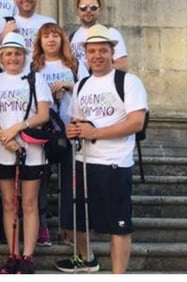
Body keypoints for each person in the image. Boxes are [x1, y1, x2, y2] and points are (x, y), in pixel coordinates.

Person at [55, 24, 147, 274]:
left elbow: (136, 122)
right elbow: (76, 120)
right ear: (85, 53)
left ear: (112, 52)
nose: (97, 55)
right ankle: (87, 259)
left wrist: (96, 133)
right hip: (84, 161)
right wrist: (73, 130)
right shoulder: (83, 84)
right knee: (78, 221)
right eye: (92, 50)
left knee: (119, 225)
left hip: (114, 163)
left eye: (103, 50)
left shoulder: (128, 81)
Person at [0, 33, 51, 274]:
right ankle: (12, 252)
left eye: (17, 54)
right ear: (2, 57)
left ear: (24, 56)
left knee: (30, 203)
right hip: (2, 149)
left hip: (31, 149)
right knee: (8, 203)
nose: (13, 58)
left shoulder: (36, 79)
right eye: (8, 54)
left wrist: (16, 129)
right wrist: (4, 136)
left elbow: (43, 114)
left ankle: (28, 255)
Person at [31, 22, 87, 249]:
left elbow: (87, 91)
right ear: (40, 41)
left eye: (55, 36)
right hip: (44, 131)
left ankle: (68, 226)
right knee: (40, 181)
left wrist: (68, 85)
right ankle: (41, 226)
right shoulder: (34, 66)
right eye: (46, 36)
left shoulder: (73, 64)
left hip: (69, 130)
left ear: (62, 40)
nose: (51, 40)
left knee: (68, 182)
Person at [69, 0, 128, 72]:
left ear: (99, 10)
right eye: (83, 8)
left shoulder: (110, 33)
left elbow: (122, 66)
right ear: (77, 11)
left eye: (93, 7)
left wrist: (94, 68)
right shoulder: (70, 37)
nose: (88, 10)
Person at [0, 0, 56, 68]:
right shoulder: (5, 22)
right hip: (16, 74)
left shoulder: (49, 22)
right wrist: (4, 35)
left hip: (44, 71)